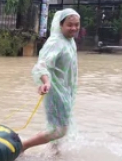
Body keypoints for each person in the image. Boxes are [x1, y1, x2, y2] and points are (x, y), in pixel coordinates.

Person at [22, 8, 80, 153]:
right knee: (59, 130)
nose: (74, 28)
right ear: (61, 25)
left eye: (77, 24)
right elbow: (42, 65)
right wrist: (46, 82)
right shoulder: (56, 42)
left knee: (57, 127)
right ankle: (23, 146)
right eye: (70, 24)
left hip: (65, 90)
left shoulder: (70, 41)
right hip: (55, 91)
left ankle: (55, 153)